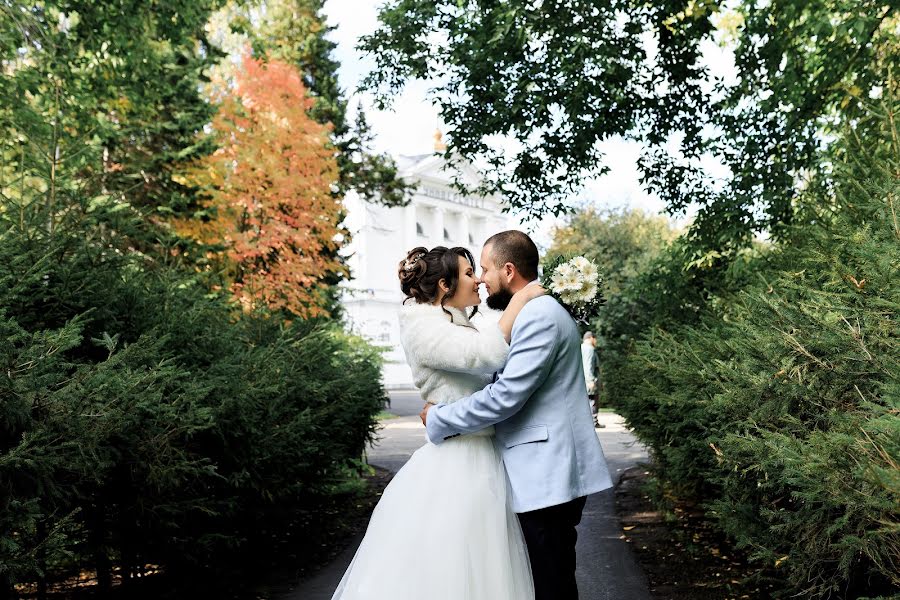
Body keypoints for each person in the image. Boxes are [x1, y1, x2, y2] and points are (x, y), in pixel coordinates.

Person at [331, 244, 545, 600]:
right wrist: (521, 299)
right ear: (444, 285)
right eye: (467, 273)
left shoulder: (457, 321)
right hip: (457, 461)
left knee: (487, 565)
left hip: (482, 453)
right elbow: (485, 354)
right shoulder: (423, 327)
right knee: (452, 563)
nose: (477, 280)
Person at [421, 230, 613, 600]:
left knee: (551, 583)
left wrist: (441, 417)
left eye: (485, 269)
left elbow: (506, 396)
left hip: (548, 474)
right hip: (542, 473)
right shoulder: (532, 311)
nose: (480, 279)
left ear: (508, 271)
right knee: (546, 579)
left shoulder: (539, 315)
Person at [582, 331, 602, 428]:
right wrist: (590, 380)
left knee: (588, 401)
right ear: (591, 338)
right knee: (593, 401)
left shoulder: (581, 348)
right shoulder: (589, 349)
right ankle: (593, 422)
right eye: (595, 339)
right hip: (589, 380)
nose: (596, 341)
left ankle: (589, 422)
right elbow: (588, 365)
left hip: (583, 380)